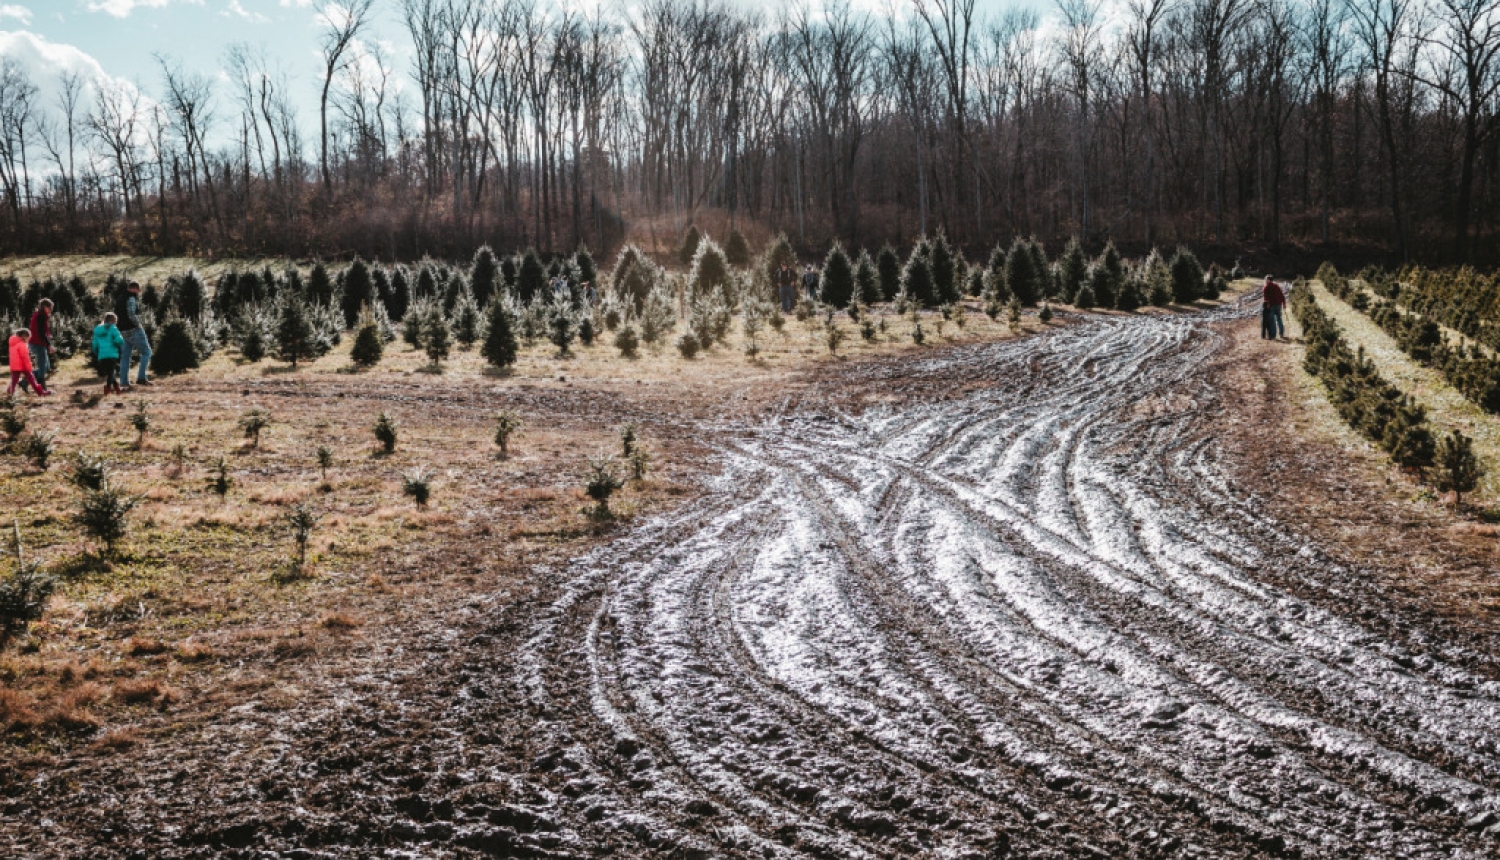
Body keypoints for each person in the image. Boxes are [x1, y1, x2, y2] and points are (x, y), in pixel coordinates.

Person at [115, 280, 153, 389]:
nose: (138, 293)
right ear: (134, 288)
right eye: (138, 290)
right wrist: (138, 325)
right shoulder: (130, 298)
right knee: (147, 352)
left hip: (122, 331)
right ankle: (141, 378)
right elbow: (131, 313)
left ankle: (124, 382)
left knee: (125, 357)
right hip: (133, 330)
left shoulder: (119, 298)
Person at [8, 328, 50, 396]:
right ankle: (40, 392)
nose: (29, 340)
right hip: (23, 365)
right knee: (32, 380)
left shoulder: (13, 343)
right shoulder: (22, 344)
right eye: (28, 338)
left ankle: (10, 392)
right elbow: (25, 357)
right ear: (24, 336)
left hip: (14, 365)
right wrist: (29, 367)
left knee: (14, 380)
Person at [92, 312, 125, 396]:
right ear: (113, 321)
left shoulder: (97, 329)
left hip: (102, 355)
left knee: (110, 372)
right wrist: (114, 343)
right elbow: (120, 340)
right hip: (112, 354)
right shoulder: (113, 328)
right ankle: (107, 389)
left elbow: (94, 344)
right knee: (111, 372)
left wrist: (97, 352)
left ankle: (117, 388)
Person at [27, 298, 54, 392]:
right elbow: (42, 333)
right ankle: (42, 389)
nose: (51, 309)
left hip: (38, 343)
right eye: (50, 307)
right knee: (42, 366)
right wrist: (49, 345)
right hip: (37, 343)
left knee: (46, 366)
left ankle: (25, 381)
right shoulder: (40, 316)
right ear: (45, 307)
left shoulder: (40, 315)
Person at [1261, 275, 1286, 340]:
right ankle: (1281, 333)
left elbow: (1265, 298)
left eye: (1266, 279)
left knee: (1272, 321)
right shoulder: (1276, 286)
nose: (1265, 280)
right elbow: (1281, 294)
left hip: (1271, 305)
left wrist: (1267, 304)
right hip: (1278, 304)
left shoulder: (1266, 287)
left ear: (1269, 280)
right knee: (1279, 319)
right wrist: (1284, 303)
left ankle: (1273, 336)